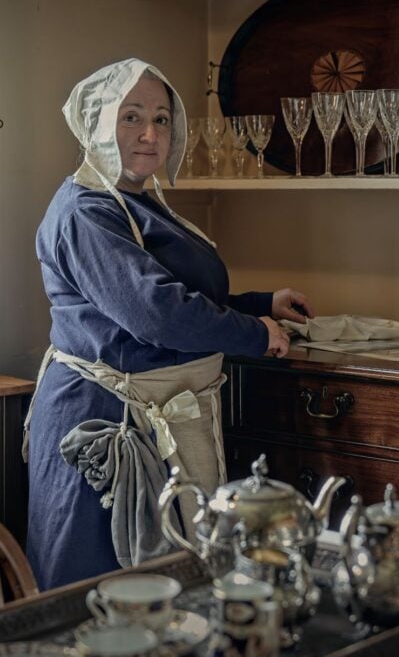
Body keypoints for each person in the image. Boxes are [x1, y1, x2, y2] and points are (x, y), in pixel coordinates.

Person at [24, 58, 315, 590]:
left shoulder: (135, 202)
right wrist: (251, 334)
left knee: (158, 583)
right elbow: (155, 313)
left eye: (161, 119)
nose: (150, 133)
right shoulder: (86, 212)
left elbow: (180, 294)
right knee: (99, 584)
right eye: (131, 117)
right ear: (96, 124)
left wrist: (259, 304)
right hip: (105, 422)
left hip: (148, 414)